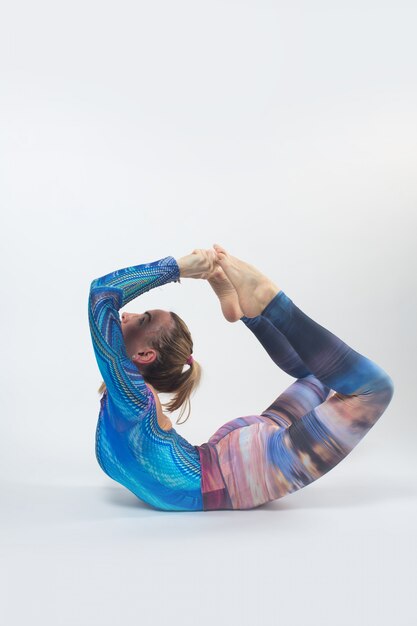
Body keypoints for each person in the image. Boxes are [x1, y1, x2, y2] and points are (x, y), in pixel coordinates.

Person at [88, 244, 394, 512]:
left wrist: (179, 268)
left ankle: (264, 305)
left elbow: (102, 296)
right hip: (236, 464)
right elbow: (103, 296)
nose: (124, 315)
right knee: (340, 381)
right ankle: (252, 313)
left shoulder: (131, 399)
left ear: (143, 356)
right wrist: (178, 268)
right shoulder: (129, 397)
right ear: (143, 357)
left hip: (241, 468)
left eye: (141, 319)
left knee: (361, 386)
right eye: (143, 318)